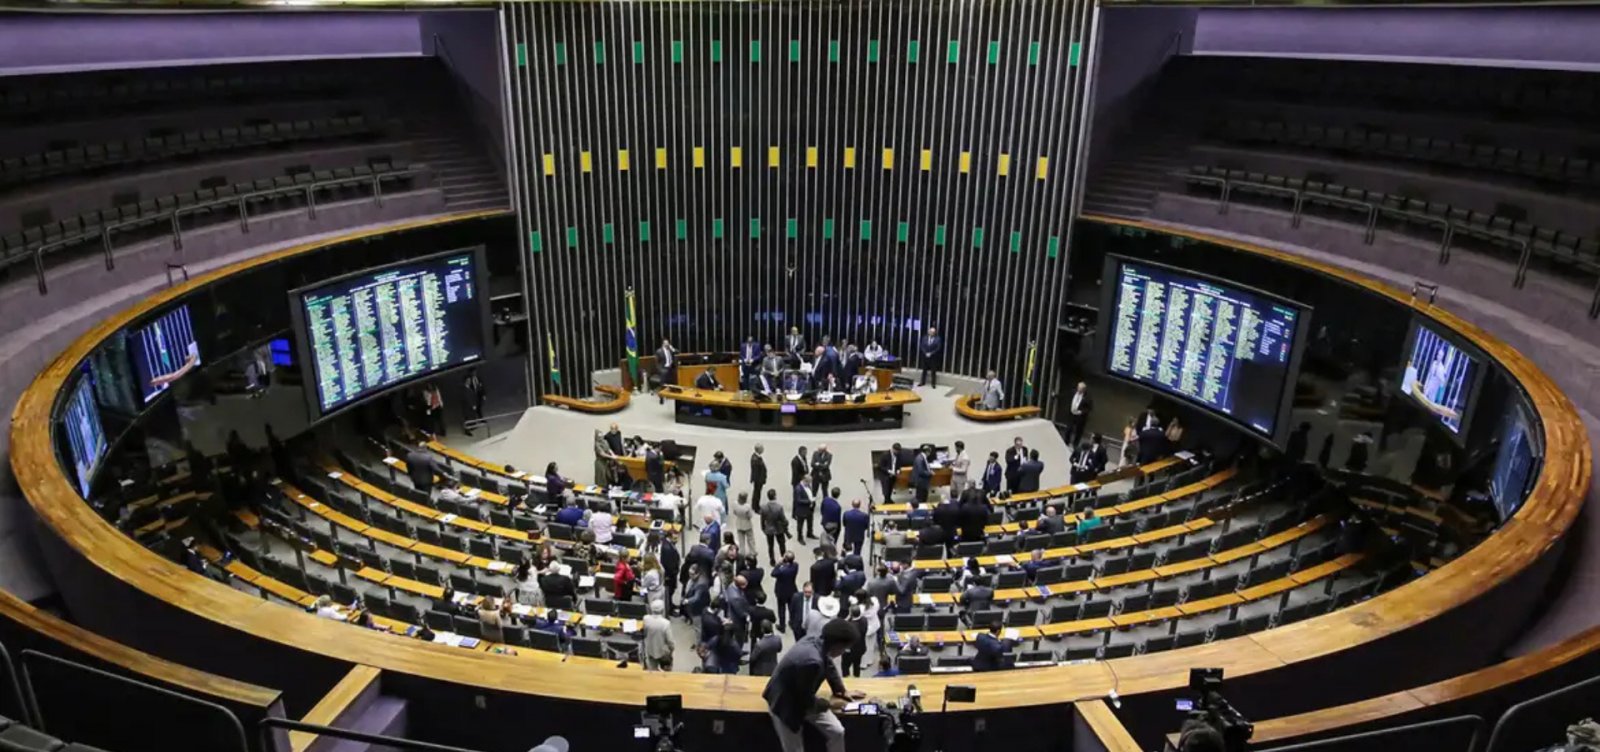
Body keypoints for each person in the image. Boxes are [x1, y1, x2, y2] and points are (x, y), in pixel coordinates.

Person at [764, 618, 863, 752]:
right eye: (845, 648)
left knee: (837, 731)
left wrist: (841, 690)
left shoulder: (818, 640)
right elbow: (805, 701)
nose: (844, 652)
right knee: (795, 749)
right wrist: (831, 704)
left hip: (803, 696)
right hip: (785, 704)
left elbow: (828, 663)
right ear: (837, 646)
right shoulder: (811, 662)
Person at [642, 600, 675, 671]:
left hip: (650, 649)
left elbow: (644, 633)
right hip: (663, 652)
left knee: (653, 670)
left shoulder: (646, 619)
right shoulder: (666, 623)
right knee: (666, 671)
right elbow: (670, 640)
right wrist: (672, 648)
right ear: (662, 610)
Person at [761, 489, 790, 566]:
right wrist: (786, 524)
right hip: (778, 528)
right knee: (782, 544)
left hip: (769, 529)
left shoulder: (764, 507)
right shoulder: (779, 507)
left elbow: (762, 519)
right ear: (775, 496)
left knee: (770, 546)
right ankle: (784, 558)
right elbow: (783, 519)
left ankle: (772, 560)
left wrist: (763, 528)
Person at [773, 551, 800, 632]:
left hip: (781, 591)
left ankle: (782, 626)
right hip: (792, 589)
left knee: (781, 609)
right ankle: (792, 622)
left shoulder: (781, 570)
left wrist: (778, 564)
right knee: (791, 607)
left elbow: (773, 573)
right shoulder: (795, 565)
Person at [841, 605, 869, 678]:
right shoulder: (864, 620)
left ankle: (847, 679)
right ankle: (856, 679)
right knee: (857, 665)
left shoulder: (849, 625)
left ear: (851, 614)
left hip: (849, 650)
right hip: (860, 648)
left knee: (845, 666)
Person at [729, 491, 758, 555]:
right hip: (747, 524)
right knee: (750, 539)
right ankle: (753, 551)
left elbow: (734, 512)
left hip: (739, 523)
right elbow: (750, 516)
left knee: (741, 540)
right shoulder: (747, 506)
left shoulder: (735, 504)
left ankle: (742, 552)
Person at [1067, 381, 1093, 448]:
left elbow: (1090, 408)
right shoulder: (1073, 392)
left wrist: (1081, 412)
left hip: (1080, 417)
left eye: (1080, 389)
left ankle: (1075, 444)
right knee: (1069, 429)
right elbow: (1065, 395)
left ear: (1084, 389)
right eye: (1078, 388)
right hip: (1072, 414)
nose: (1079, 390)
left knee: (1078, 432)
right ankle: (1066, 442)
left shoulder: (1088, 397)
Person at [793, 476, 817, 543]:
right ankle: (800, 537)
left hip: (809, 508)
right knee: (800, 525)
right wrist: (809, 501)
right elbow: (798, 500)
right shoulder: (798, 488)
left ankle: (809, 533)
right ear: (804, 480)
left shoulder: (808, 486)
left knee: (810, 522)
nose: (810, 483)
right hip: (802, 510)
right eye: (809, 482)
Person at [462, 369, 486, 435]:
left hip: (475, 398)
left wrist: (483, 395)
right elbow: (467, 398)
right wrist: (472, 405)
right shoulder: (465, 389)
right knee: (468, 417)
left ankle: (476, 422)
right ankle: (467, 430)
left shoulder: (468, 388)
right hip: (468, 405)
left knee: (477, 410)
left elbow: (481, 387)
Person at [750, 443, 768, 511]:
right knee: (757, 493)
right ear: (759, 449)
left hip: (759, 479)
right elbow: (757, 471)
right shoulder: (755, 459)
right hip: (758, 479)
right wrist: (760, 479)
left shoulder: (757, 457)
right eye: (762, 448)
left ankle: (756, 505)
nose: (763, 450)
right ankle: (755, 507)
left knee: (757, 493)